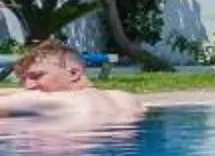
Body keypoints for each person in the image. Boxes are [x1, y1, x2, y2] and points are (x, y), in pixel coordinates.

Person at [1, 38, 145, 124]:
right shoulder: (125, 98)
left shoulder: (57, 101)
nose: (28, 86)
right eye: (24, 79)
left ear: (74, 73)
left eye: (37, 76)